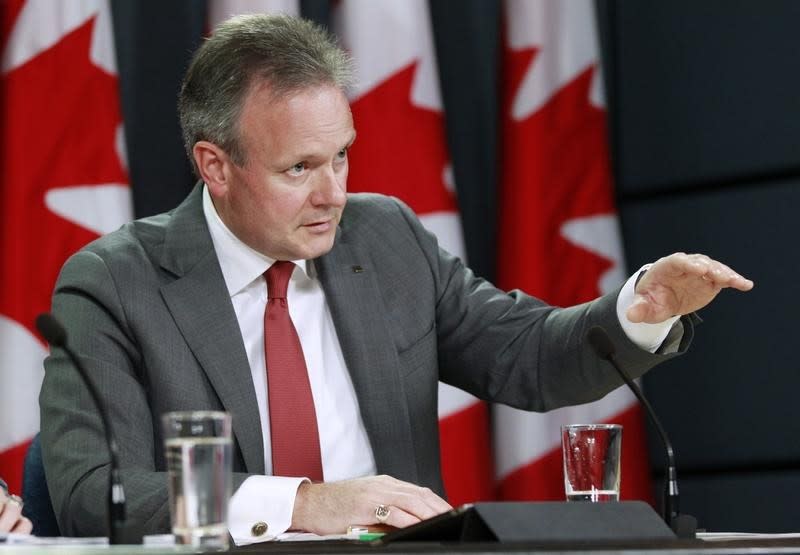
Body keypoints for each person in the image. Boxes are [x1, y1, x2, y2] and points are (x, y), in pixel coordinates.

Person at [39, 14, 753, 544]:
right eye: (300, 168)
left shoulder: (384, 239)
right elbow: (92, 493)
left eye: (341, 157)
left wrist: (641, 309)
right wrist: (308, 503)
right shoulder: (116, 283)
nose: (332, 193)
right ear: (215, 165)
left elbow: (529, 356)